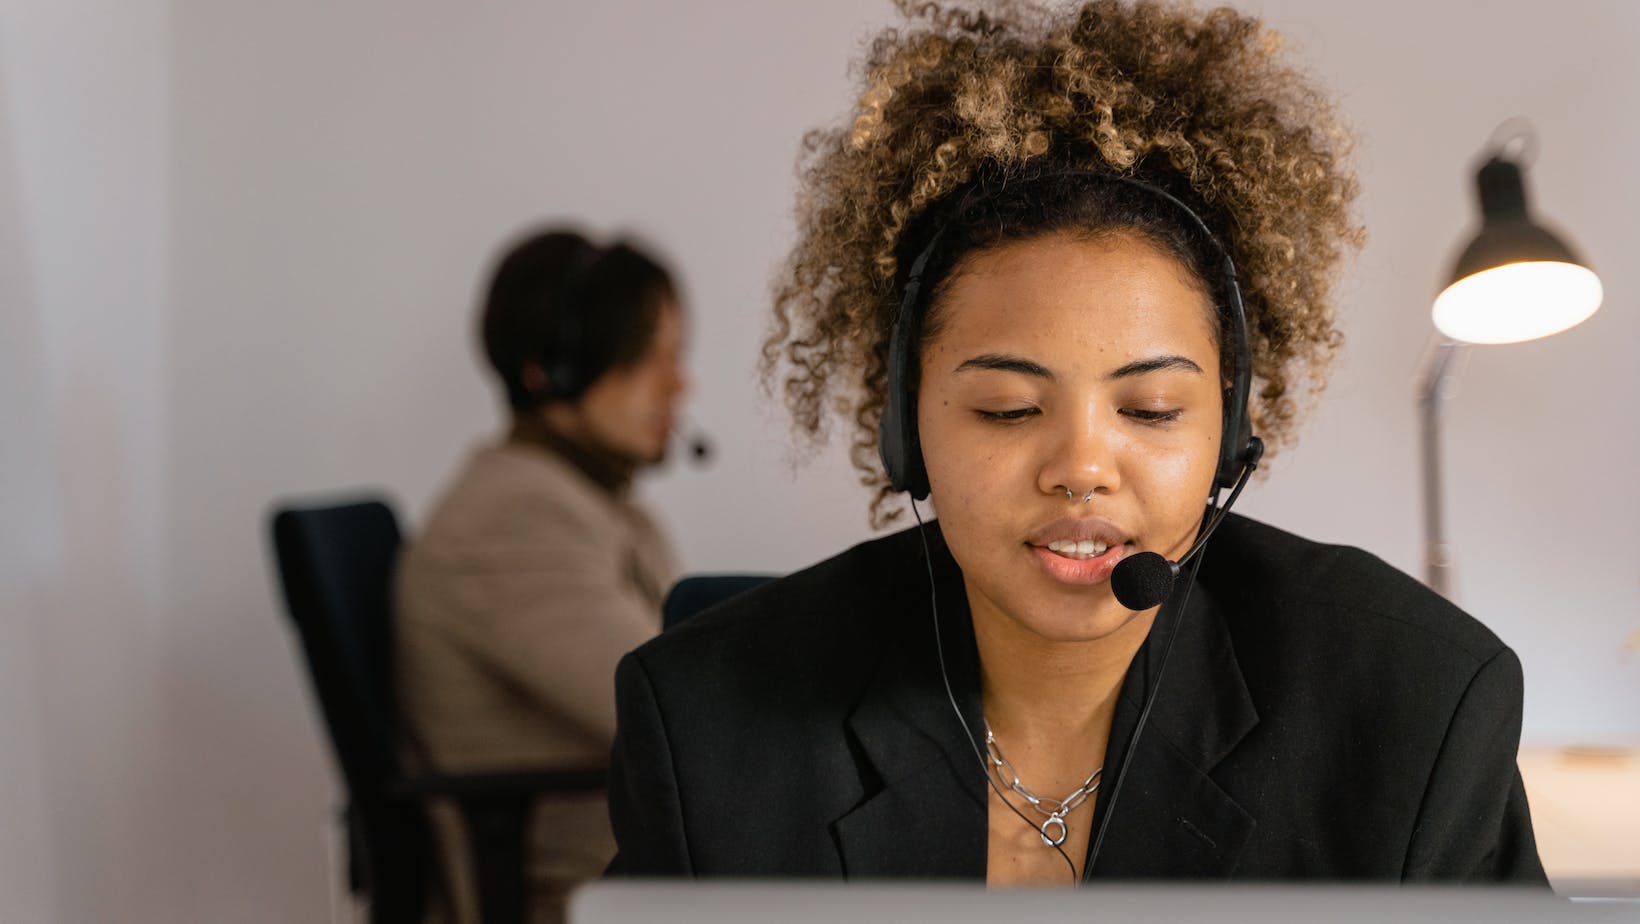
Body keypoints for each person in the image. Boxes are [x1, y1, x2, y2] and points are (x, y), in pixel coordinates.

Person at [605, 0, 1545, 886]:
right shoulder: (706, 727)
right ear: (905, 421)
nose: (1083, 471)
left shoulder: (1418, 713)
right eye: (1009, 409)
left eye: (1150, 410)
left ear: (1229, 434)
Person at [396, 227, 687, 921]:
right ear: (550, 371)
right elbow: (675, 718)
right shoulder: (515, 519)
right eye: (647, 357)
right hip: (585, 893)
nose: (680, 383)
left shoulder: (584, 499)